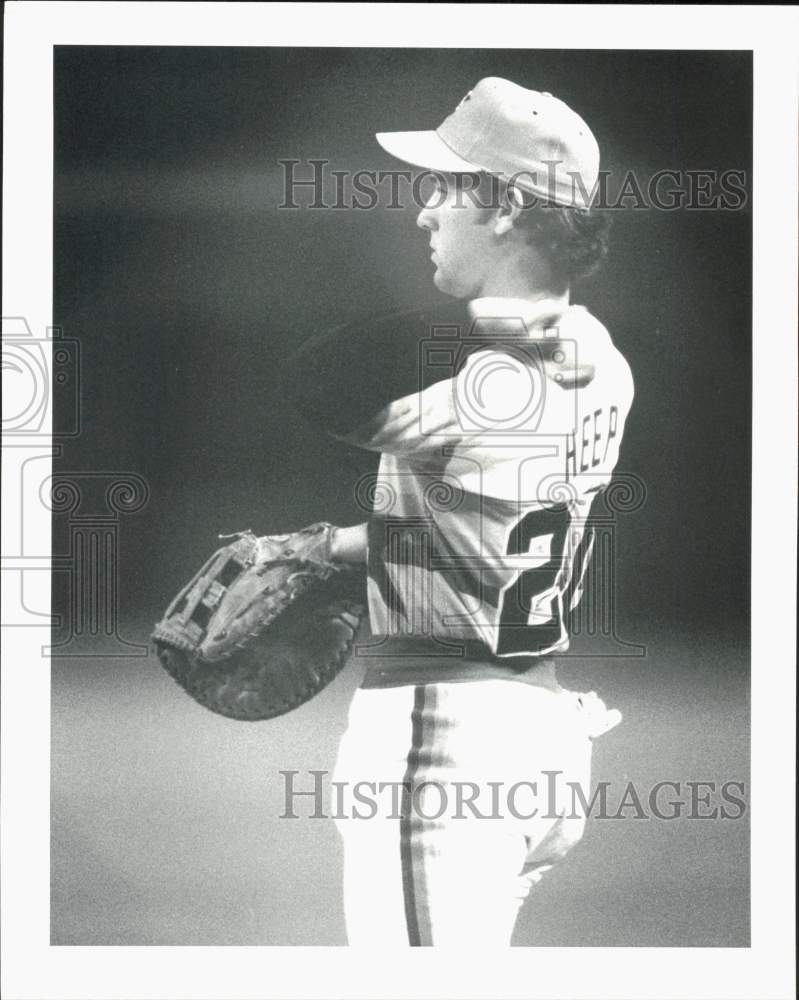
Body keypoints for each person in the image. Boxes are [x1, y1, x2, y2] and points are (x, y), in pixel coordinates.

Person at [282, 77, 634, 946]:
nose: (423, 211)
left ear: (508, 205)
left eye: (446, 187)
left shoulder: (482, 381)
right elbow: (474, 533)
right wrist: (329, 547)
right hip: (541, 737)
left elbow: (312, 382)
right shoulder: (600, 356)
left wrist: (472, 308)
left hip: (446, 742)